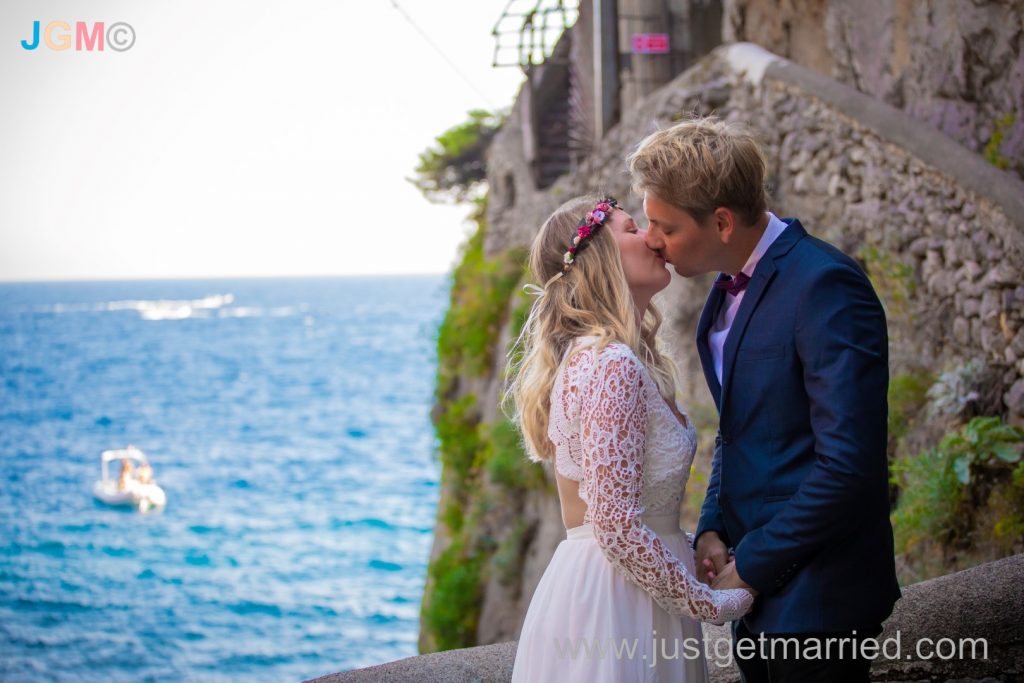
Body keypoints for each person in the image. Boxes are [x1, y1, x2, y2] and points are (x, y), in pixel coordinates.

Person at [628, 115, 901, 682]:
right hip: (760, 593)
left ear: (722, 222)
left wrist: (752, 563)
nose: (652, 239)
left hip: (821, 598)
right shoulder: (723, 297)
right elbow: (741, 428)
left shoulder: (824, 285)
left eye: (665, 227)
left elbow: (851, 468)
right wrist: (712, 526)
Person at [507, 195, 754, 682]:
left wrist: (690, 546)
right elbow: (615, 524)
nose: (651, 237)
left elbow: (635, 514)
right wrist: (713, 603)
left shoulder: (613, 358)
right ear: (599, 257)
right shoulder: (611, 364)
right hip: (617, 604)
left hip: (626, 590)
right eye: (630, 228)